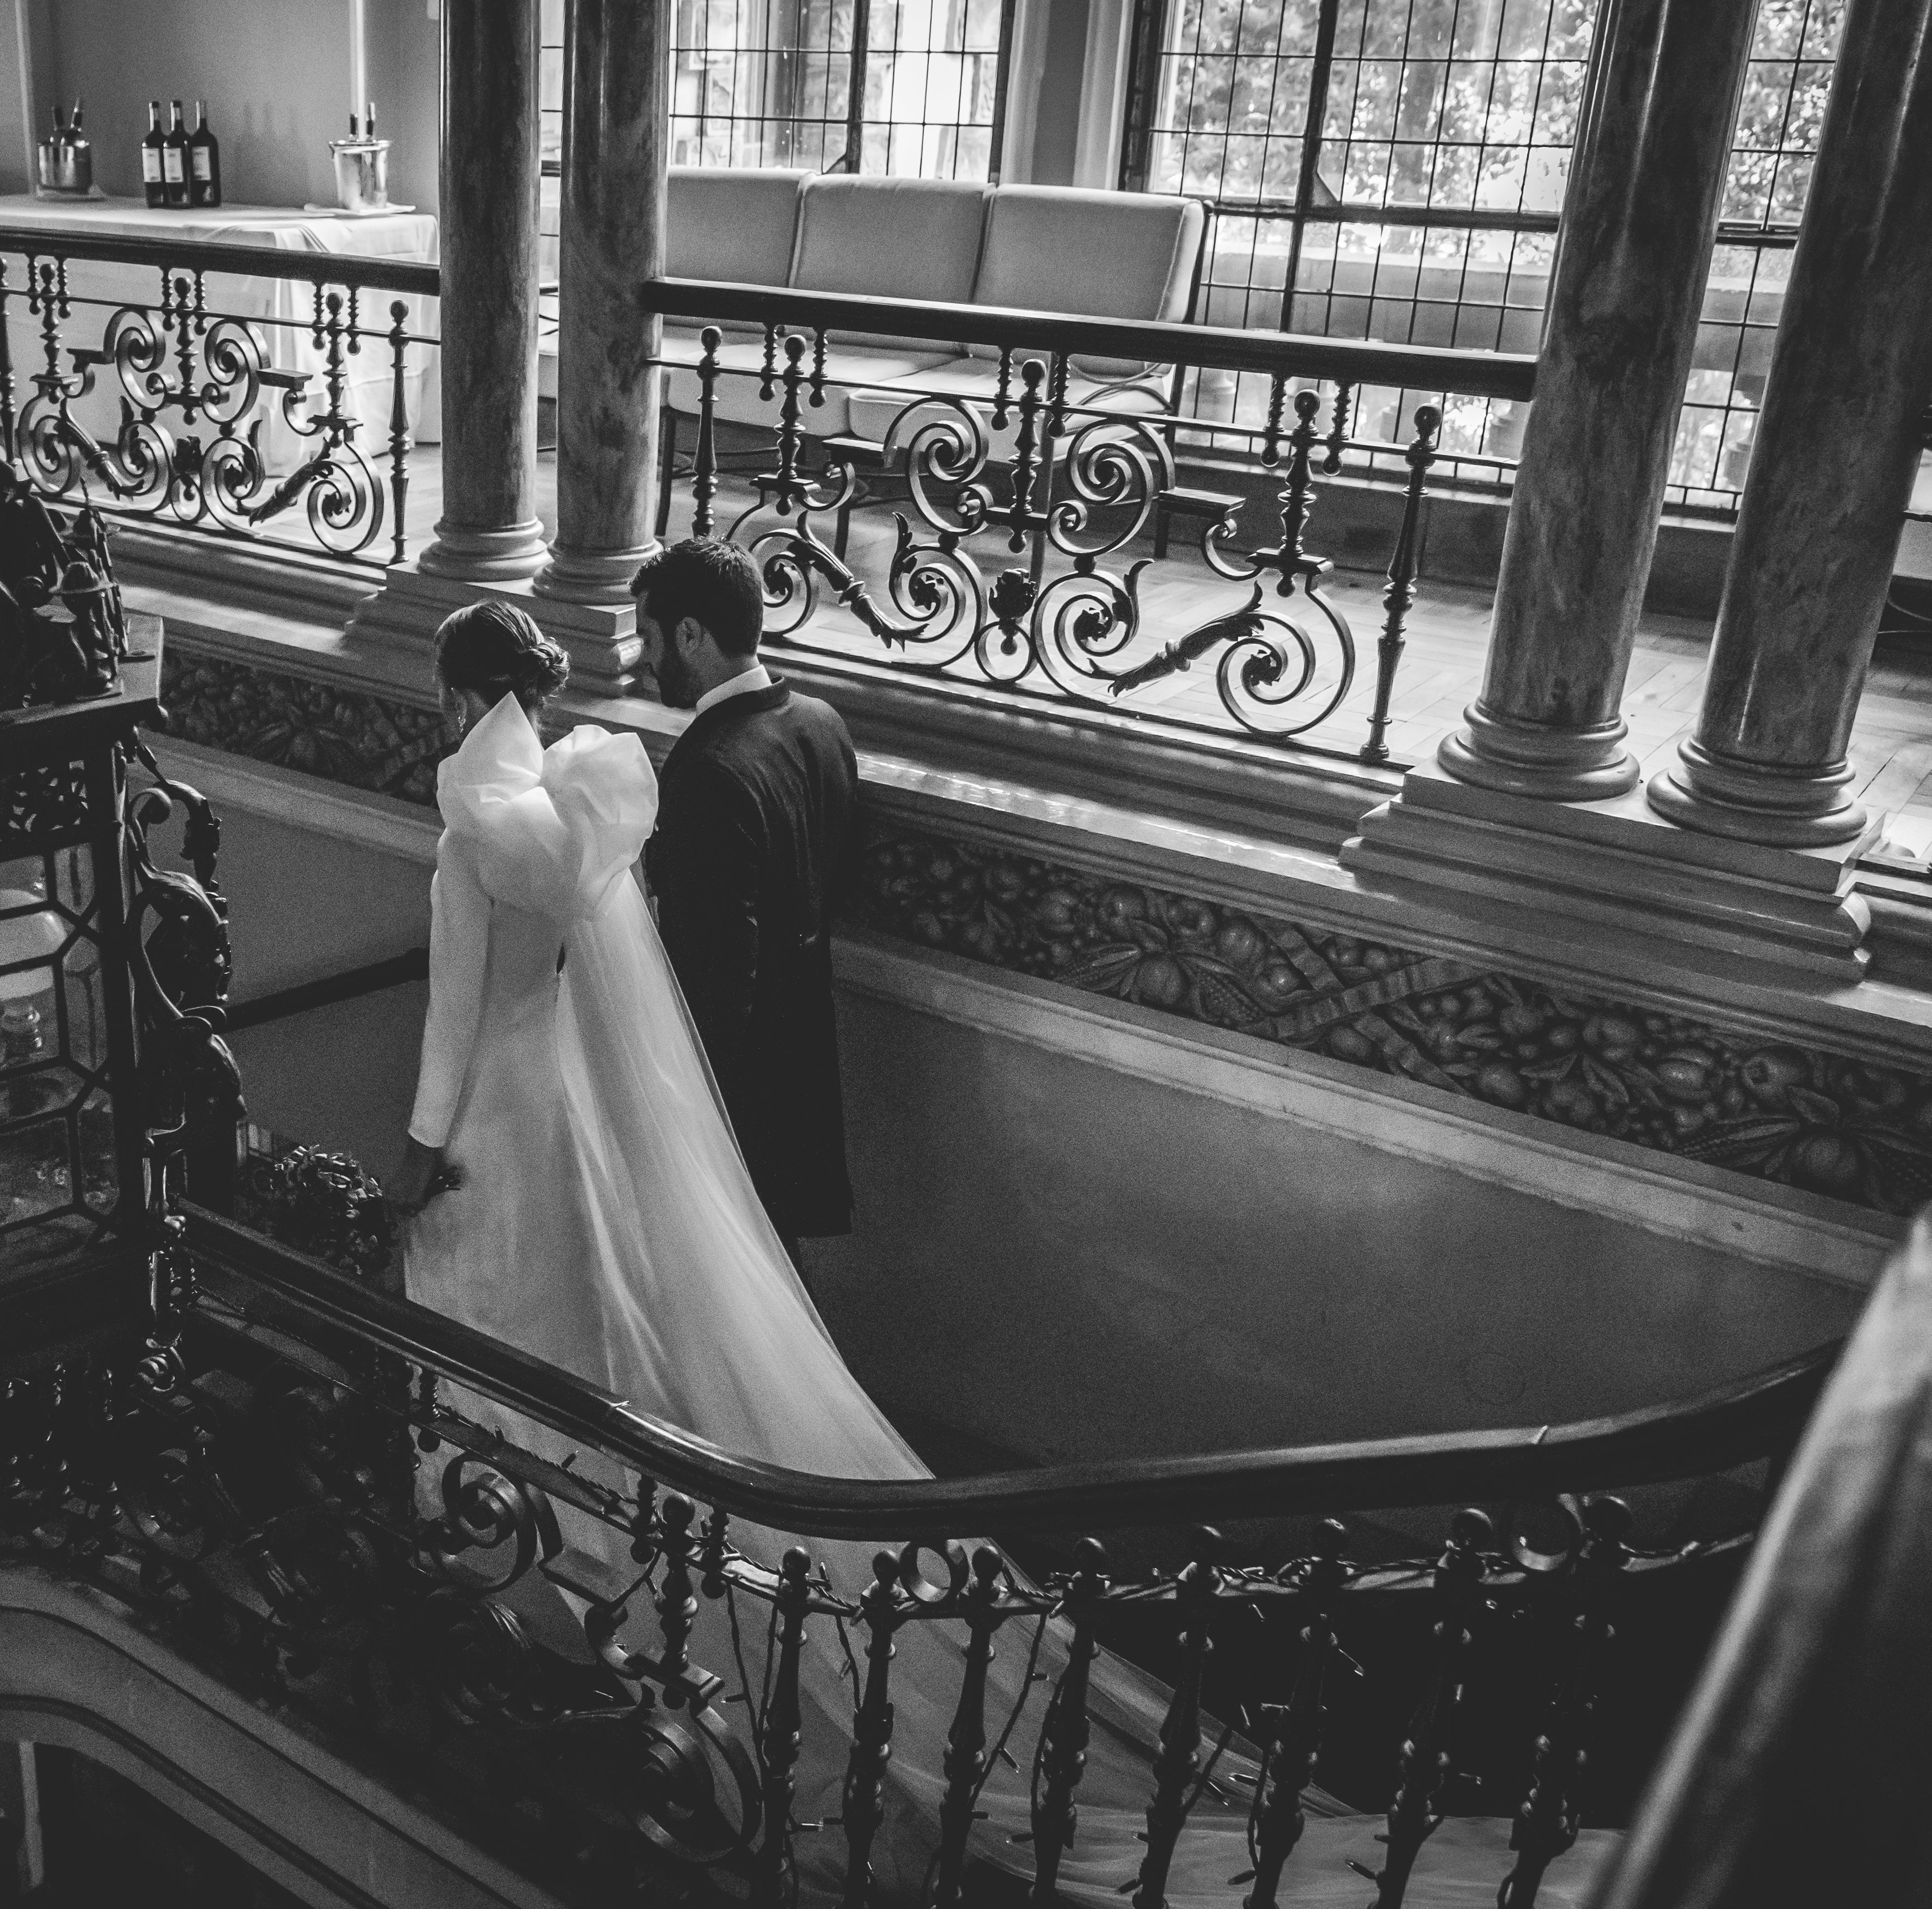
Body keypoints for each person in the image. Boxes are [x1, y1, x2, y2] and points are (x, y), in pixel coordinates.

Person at [385, 598, 1601, 1906]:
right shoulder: (590, 798)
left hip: (503, 1110)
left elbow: (455, 1019)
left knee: (504, 1314)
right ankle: (592, 1533)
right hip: (588, 1114)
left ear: (460, 698)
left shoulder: (478, 832)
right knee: (611, 1315)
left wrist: (417, 1149)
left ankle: (523, 1560)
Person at [635, 538, 858, 1255]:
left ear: (691, 635)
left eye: (648, 635)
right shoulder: (822, 726)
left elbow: (716, 978)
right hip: (808, 1077)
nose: (643, 657)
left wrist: (681, 1117)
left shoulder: (707, 771)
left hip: (741, 1109)